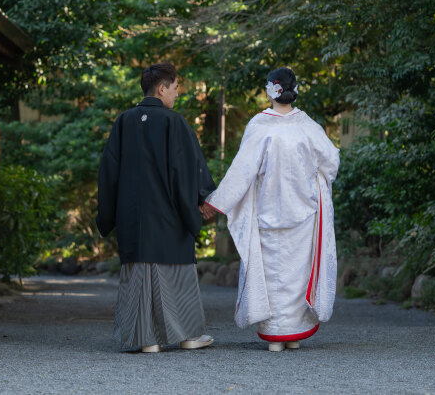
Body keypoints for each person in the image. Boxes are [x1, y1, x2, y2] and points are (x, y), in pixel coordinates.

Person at [202, 67, 339, 351]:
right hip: (304, 210)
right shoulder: (308, 126)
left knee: (271, 271)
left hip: (268, 209)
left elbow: (242, 170)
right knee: (297, 271)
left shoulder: (259, 126)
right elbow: (331, 162)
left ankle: (275, 332)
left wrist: (217, 202)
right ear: (294, 90)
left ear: (270, 91)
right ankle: (294, 332)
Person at [97, 62, 216, 353]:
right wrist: (203, 199)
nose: (177, 95)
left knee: (138, 273)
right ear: (162, 88)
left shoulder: (123, 122)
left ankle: (146, 339)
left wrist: (108, 214)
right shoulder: (175, 123)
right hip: (169, 215)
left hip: (133, 217)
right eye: (175, 89)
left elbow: (108, 173)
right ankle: (188, 335)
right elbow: (188, 169)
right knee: (176, 273)